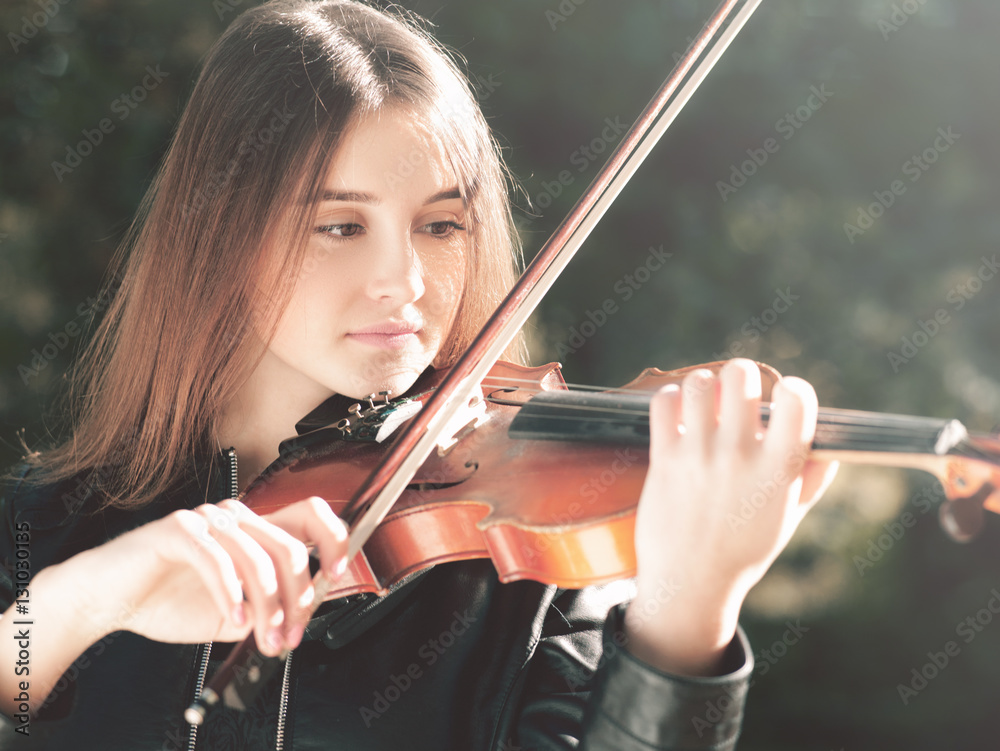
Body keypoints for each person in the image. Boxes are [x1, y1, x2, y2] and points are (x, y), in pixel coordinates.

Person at [0, 1, 838, 748]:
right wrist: (77, 604)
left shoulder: (530, 583)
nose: (403, 280)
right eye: (339, 226)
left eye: (441, 224)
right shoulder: (40, 528)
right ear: (219, 233)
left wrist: (688, 613)